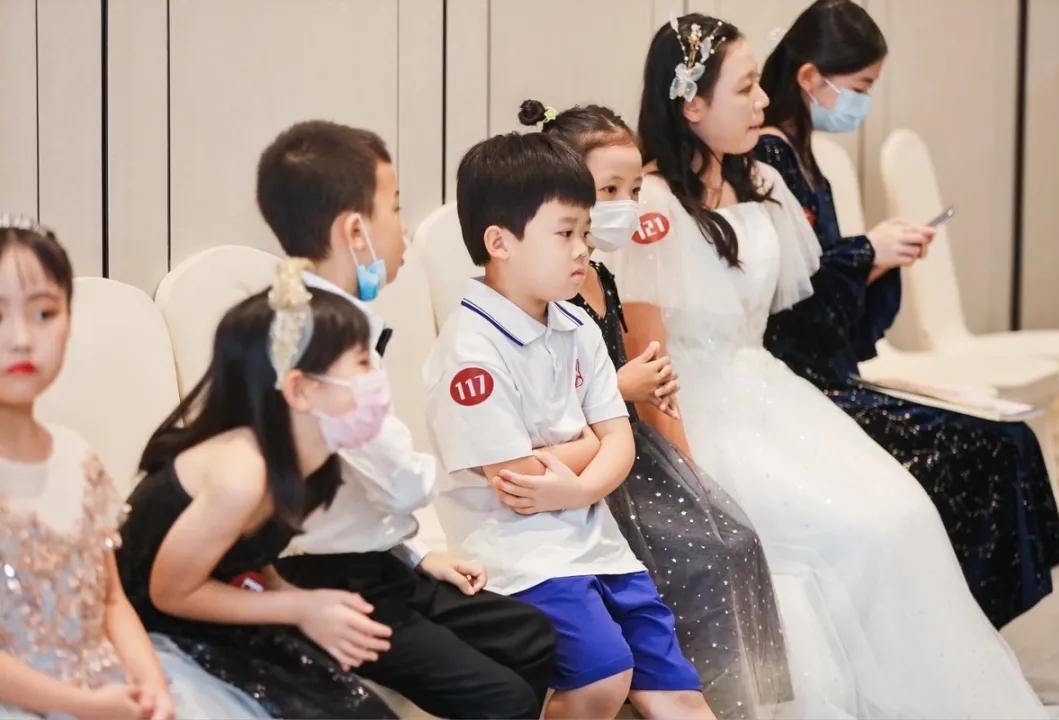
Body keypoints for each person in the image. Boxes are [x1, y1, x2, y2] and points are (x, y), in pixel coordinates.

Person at [604, 13, 1059, 718]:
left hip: (770, 393)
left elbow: (806, 309)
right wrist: (695, 483)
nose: (764, 101)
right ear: (691, 105)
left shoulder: (762, 181)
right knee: (855, 536)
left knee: (905, 513)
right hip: (705, 415)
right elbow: (651, 369)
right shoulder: (654, 209)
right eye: (746, 88)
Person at [753, 0, 1059, 629]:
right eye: (862, 86)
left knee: (1008, 439)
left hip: (828, 371)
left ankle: (960, 623)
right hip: (800, 381)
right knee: (988, 449)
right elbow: (784, 295)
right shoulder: (769, 156)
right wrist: (866, 252)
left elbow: (820, 277)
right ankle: (951, 622)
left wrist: (875, 257)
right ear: (810, 77)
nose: (864, 102)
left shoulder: (804, 154)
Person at [256, 120, 556, 719]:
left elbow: (371, 488)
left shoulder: (332, 317)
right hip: (329, 579)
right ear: (355, 231)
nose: (404, 229)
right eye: (394, 208)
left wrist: (416, 554)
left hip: (378, 562)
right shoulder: (317, 338)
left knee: (532, 637)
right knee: (505, 698)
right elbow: (401, 483)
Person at [424, 131, 715, 720]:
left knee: (678, 693)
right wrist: (588, 441)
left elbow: (621, 439)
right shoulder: (470, 352)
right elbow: (518, 479)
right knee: (603, 676)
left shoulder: (576, 324)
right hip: (518, 555)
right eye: (565, 233)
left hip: (597, 542)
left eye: (586, 232)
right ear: (499, 242)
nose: (583, 249)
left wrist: (580, 487)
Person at [518, 98, 792, 717]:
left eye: (634, 189)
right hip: (590, 457)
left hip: (635, 447)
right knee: (699, 554)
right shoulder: (548, 290)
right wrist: (623, 386)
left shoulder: (603, 276)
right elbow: (550, 403)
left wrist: (650, 387)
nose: (627, 204)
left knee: (736, 537)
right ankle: (665, 693)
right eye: (609, 189)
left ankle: (720, 698)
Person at [0, 215, 266, 720]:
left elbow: (111, 602)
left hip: (109, 685)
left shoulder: (77, 456)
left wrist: (153, 686)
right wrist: (83, 705)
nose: (21, 339)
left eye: (44, 313)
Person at [117, 257, 399, 719]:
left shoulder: (310, 458)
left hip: (210, 614)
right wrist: (299, 607)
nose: (377, 378)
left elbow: (243, 549)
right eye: (364, 361)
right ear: (301, 389)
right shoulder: (240, 476)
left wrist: (287, 596)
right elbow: (169, 593)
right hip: (153, 632)